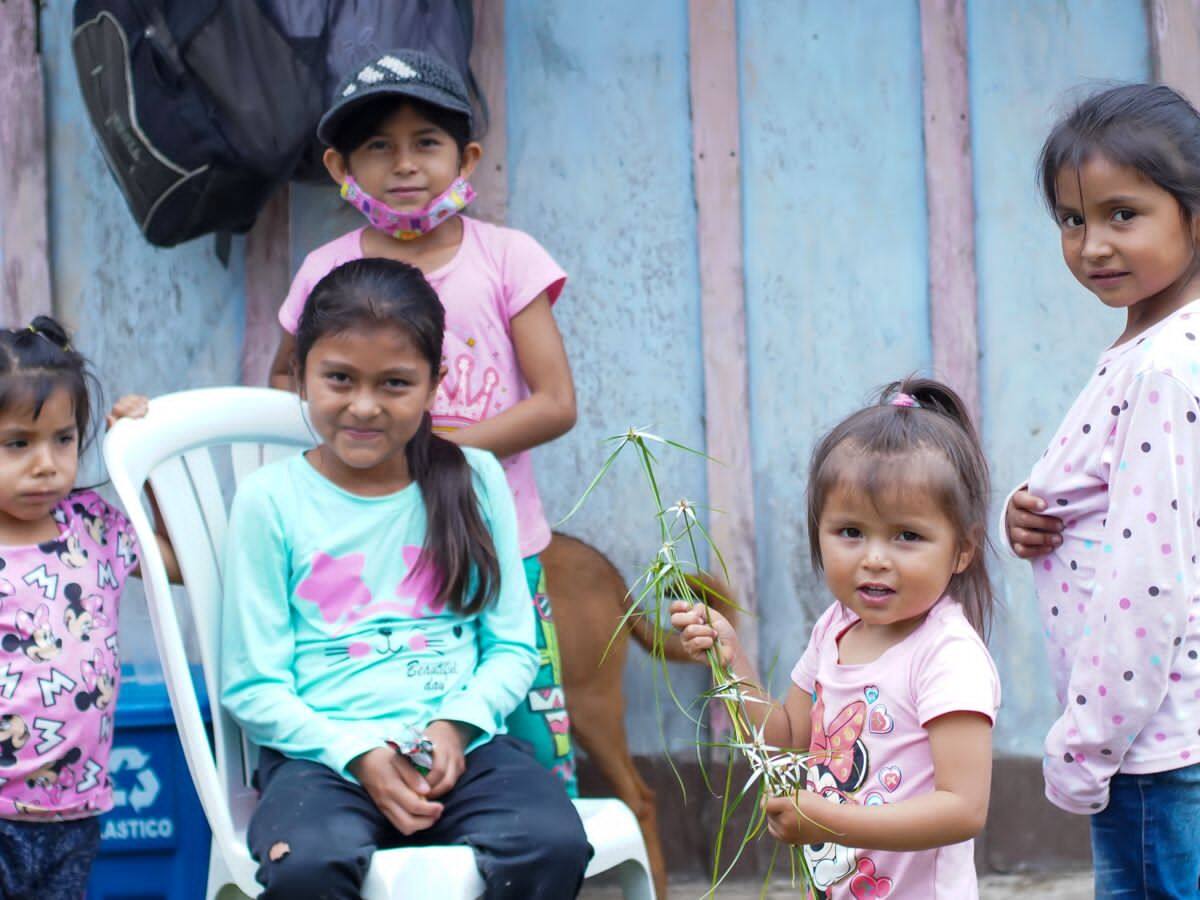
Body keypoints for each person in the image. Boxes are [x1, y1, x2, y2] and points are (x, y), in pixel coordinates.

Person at [222, 258, 591, 899]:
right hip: (323, 756)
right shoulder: (269, 501)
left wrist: (457, 725)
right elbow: (253, 685)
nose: (363, 406)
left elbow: (510, 647)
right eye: (339, 378)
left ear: (433, 383)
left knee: (551, 842)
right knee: (307, 861)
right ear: (301, 375)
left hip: (464, 748)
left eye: (394, 383)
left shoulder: (474, 479)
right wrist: (356, 754)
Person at [267, 48, 578, 792]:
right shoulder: (325, 271)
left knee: (525, 731)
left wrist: (438, 450)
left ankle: (531, 835)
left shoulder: (507, 258)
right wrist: (363, 450)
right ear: (342, 166)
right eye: (379, 146)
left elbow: (555, 403)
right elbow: (286, 378)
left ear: (466, 156)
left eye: (426, 143)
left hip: (494, 539)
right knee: (391, 720)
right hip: (367, 550)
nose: (405, 165)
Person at [672, 379, 1000, 899]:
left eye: (907, 536)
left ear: (962, 549)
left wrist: (829, 823)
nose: (873, 557)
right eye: (850, 532)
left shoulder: (948, 657)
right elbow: (785, 734)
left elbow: (963, 808)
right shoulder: (836, 627)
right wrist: (730, 658)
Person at [1003, 83, 1200, 898]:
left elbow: (1145, 580)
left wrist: (1083, 747)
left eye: (1125, 214)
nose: (1092, 246)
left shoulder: (1164, 368)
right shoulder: (1153, 347)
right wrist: (1039, 507)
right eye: (1072, 219)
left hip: (1149, 747)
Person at [0, 317, 178, 899]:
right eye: (18, 444)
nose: (47, 464)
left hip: (74, 810)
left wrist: (141, 460)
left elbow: (174, 564)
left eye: (64, 438)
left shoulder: (96, 528)